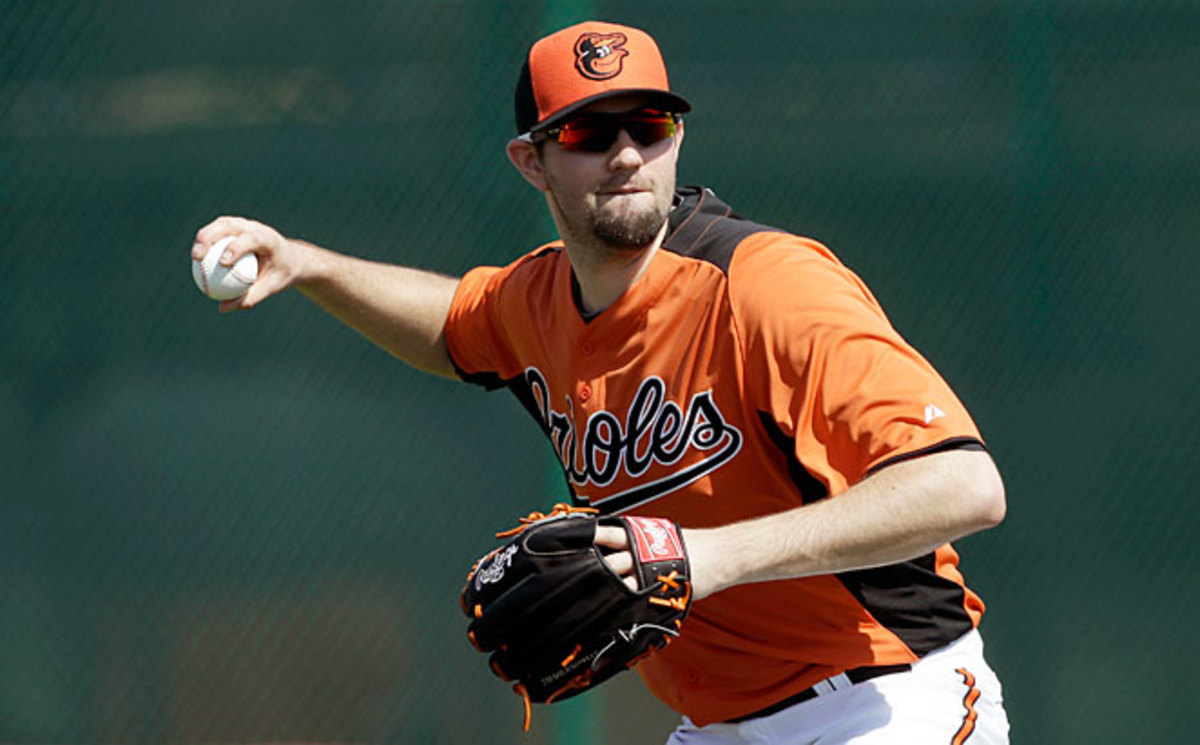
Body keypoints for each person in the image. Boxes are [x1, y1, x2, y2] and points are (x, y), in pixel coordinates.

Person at [193, 20, 1010, 744]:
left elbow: (965, 485)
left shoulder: (764, 284)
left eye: (648, 125)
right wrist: (306, 264)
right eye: (589, 131)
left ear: (677, 138)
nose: (626, 154)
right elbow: (451, 325)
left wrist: (706, 555)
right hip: (720, 724)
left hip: (890, 700)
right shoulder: (539, 300)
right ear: (532, 160)